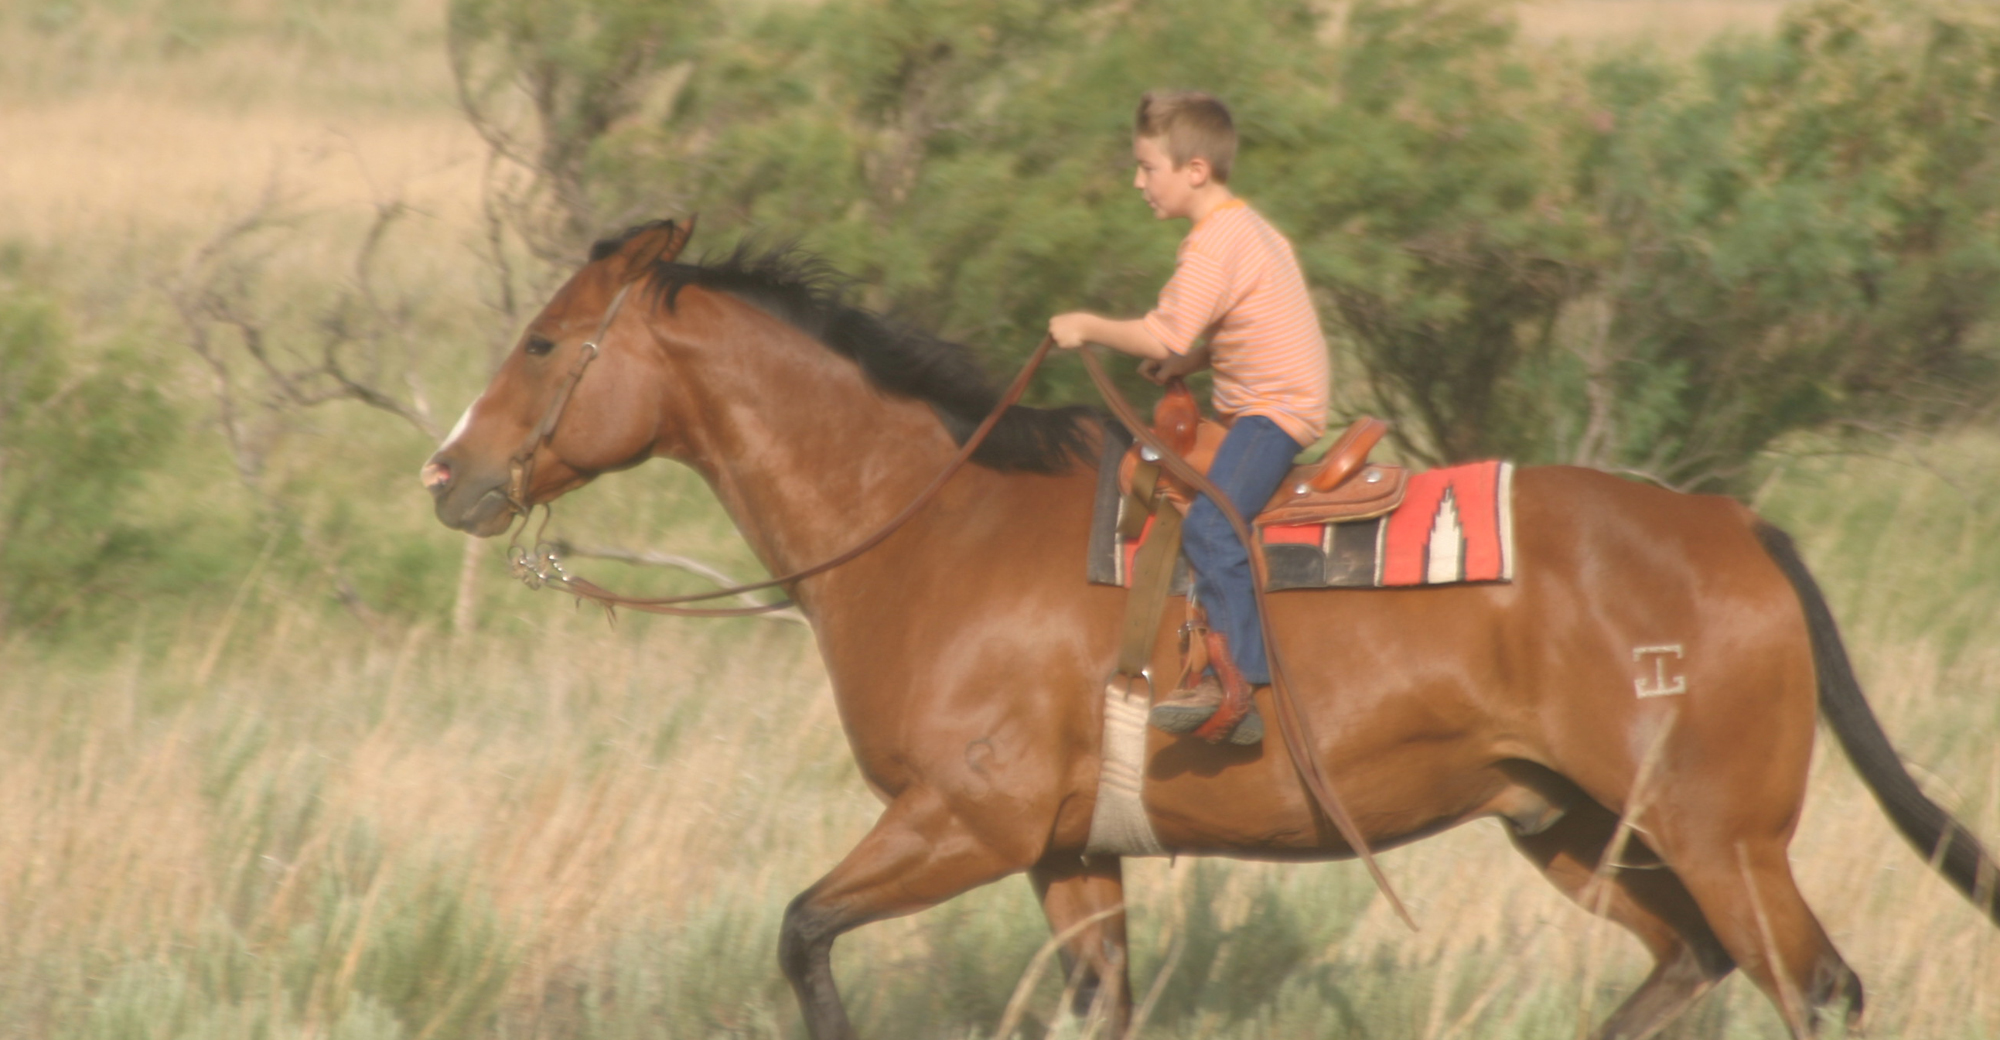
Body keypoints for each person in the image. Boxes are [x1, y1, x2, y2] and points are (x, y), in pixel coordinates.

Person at [1049, 90, 1330, 745]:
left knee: (1211, 526)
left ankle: (1237, 690)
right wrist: (1197, 364)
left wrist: (1086, 325)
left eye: (1149, 167)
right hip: (1277, 397)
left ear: (1195, 169)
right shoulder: (1253, 226)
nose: (1139, 181)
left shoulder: (1212, 245)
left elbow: (1165, 332)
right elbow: (1239, 326)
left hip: (1274, 411)